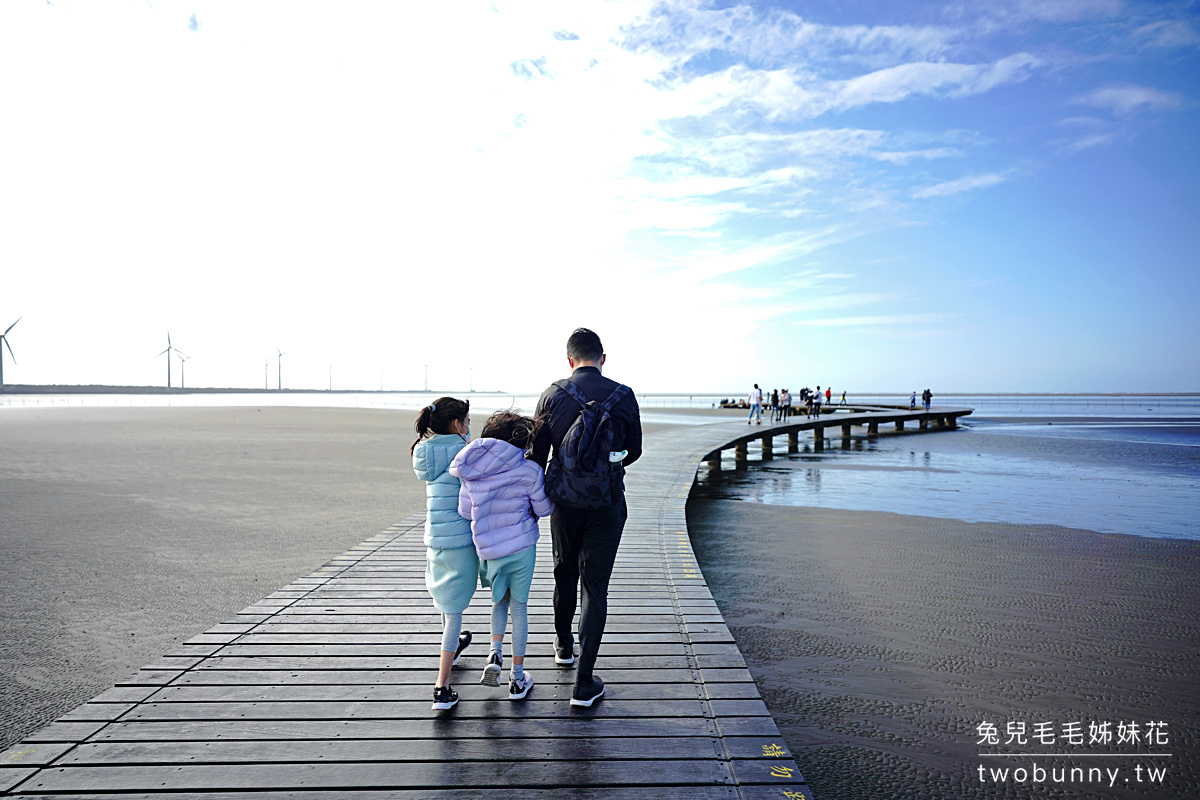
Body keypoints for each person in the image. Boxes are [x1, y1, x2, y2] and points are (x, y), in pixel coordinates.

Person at [530, 328, 642, 708]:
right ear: (603, 358)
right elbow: (634, 451)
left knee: (563, 571)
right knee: (595, 586)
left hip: (564, 503)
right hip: (607, 502)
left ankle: (563, 646)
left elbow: (537, 455)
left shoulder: (551, 395)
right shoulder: (624, 395)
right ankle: (583, 682)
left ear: (569, 360)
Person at [451, 411, 553, 702]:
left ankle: (494, 654)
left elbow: (466, 512)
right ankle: (518, 679)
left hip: (490, 552)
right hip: (521, 548)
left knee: (499, 603)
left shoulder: (471, 470)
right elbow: (544, 509)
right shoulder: (529, 470)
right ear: (521, 440)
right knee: (519, 608)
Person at [411, 397, 476, 712]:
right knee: (453, 612)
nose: (469, 428)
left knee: (445, 603)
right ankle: (442, 687)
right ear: (457, 424)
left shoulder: (424, 452)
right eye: (467, 421)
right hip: (460, 541)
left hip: (434, 538)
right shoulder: (464, 451)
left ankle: (456, 647)